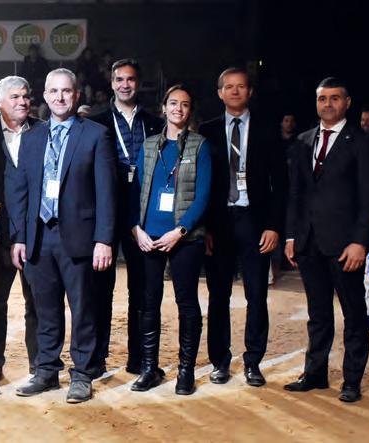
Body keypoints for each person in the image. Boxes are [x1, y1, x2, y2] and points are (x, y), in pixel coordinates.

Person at [6, 68, 115, 403]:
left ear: (76, 95)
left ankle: (82, 374)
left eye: (66, 91)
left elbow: (106, 192)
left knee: (83, 309)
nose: (60, 97)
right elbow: (21, 191)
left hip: (79, 238)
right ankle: (46, 371)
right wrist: (19, 237)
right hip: (39, 237)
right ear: (45, 96)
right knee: (45, 309)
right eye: (53, 91)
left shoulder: (95, 134)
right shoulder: (32, 137)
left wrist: (104, 239)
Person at [284, 77, 369, 403]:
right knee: (318, 313)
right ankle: (315, 373)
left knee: (353, 313)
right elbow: (295, 194)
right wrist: (292, 236)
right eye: (322, 98)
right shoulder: (303, 140)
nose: (328, 104)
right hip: (309, 242)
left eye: (335, 98)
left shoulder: (361, 142)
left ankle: (351, 380)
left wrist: (360, 242)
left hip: (345, 245)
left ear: (347, 103)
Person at [201, 67, 286, 387]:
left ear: (250, 92)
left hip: (255, 222)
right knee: (218, 296)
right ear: (220, 93)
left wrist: (274, 226)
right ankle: (220, 362)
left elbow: (281, 182)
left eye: (241, 86)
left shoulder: (267, 128)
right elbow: (201, 185)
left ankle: (253, 362)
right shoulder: (207, 131)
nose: (235, 91)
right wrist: (204, 228)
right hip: (219, 223)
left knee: (257, 295)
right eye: (229, 87)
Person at [128, 84, 212, 396]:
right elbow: (136, 190)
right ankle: (149, 367)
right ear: (163, 108)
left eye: (185, 104)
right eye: (173, 103)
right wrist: (136, 229)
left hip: (184, 238)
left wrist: (181, 230)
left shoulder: (200, 146)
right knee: (148, 302)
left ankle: (185, 370)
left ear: (190, 110)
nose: (178, 108)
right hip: (149, 236)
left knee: (186, 302)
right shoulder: (150, 145)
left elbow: (203, 196)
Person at [89, 58, 164, 376]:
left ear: (139, 83)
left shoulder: (155, 123)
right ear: (111, 83)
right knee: (100, 290)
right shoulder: (96, 122)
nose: (125, 85)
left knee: (142, 289)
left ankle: (139, 359)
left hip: (142, 213)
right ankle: (96, 359)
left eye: (130, 79)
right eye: (119, 79)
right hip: (106, 210)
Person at [0, 76, 41, 381]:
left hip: (36, 235)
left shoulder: (43, 131)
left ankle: (40, 366)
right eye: (15, 97)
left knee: (38, 303)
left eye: (26, 96)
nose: (22, 101)